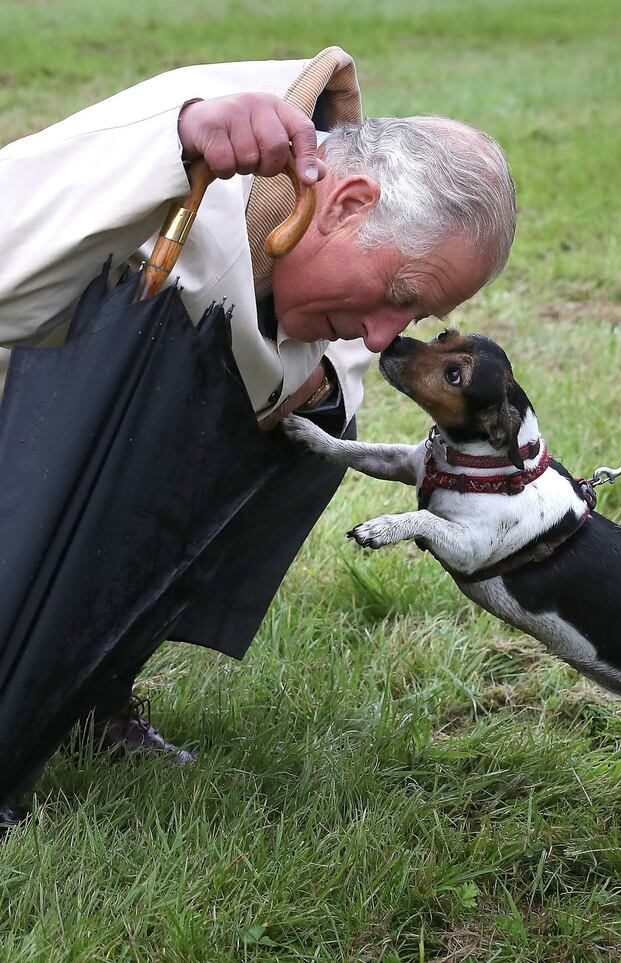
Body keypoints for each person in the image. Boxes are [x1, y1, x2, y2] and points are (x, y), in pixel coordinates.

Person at [0, 47, 516, 824]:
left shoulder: (319, 254)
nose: (385, 336)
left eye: (411, 319)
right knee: (146, 373)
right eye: (397, 296)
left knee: (317, 431)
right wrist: (175, 141)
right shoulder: (202, 135)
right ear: (345, 205)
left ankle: (86, 680)